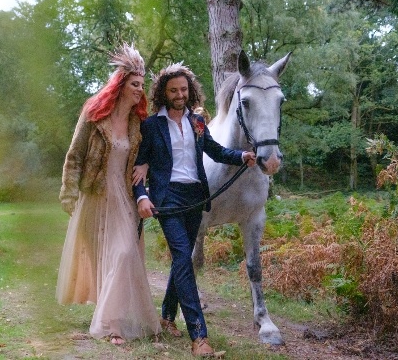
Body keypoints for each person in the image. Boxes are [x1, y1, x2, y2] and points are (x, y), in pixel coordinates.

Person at [133, 63, 256, 357]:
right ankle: (199, 336)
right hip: (168, 198)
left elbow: (216, 152)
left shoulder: (198, 123)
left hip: (195, 198)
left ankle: (166, 314)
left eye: (184, 89)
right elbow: (138, 167)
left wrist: (242, 155)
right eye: (173, 90)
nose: (179, 94)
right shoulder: (151, 126)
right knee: (183, 260)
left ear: (190, 91)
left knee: (181, 260)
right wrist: (141, 197)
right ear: (164, 92)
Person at [56, 44, 161, 345]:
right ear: (121, 84)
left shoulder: (137, 124)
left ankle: (112, 321)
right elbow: (74, 155)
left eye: (143, 85)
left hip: (124, 198)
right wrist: (68, 192)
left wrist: (147, 164)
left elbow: (152, 153)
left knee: (125, 252)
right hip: (95, 195)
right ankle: (113, 323)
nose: (140, 90)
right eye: (135, 84)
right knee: (104, 258)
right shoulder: (94, 113)